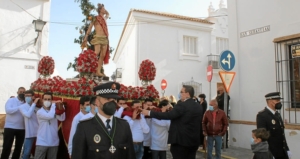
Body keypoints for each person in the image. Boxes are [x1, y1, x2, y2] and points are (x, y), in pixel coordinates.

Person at [72, 82, 136, 159]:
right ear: (97, 102)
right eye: (107, 99)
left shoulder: (124, 125)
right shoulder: (84, 127)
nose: (112, 102)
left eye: (114, 99)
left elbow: (130, 155)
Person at [142, 85, 203, 159]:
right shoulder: (198, 106)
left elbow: (169, 115)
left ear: (188, 93)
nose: (180, 94)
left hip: (180, 141)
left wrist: (149, 113)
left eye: (181, 92)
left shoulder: (182, 105)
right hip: (193, 141)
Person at [256, 92, 291, 159]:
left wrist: (287, 149)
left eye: (279, 100)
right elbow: (262, 137)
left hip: (282, 152)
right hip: (272, 153)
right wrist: (267, 154)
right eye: (277, 100)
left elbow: (282, 135)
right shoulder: (262, 115)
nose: (279, 102)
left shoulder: (277, 114)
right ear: (270, 101)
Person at [82, 3, 110, 77]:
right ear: (100, 10)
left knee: (103, 55)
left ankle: (98, 71)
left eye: (104, 9)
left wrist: (103, 8)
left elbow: (108, 14)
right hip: (98, 37)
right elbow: (90, 27)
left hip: (104, 38)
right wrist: (86, 36)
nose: (104, 10)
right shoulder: (95, 18)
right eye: (103, 9)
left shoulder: (104, 18)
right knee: (96, 52)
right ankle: (89, 67)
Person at [35, 92, 65, 159]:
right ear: (42, 100)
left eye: (49, 99)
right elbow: (50, 116)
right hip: (42, 142)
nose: (47, 101)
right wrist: (54, 105)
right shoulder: (40, 112)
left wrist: (61, 107)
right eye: (45, 99)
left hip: (53, 142)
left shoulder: (53, 111)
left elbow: (62, 118)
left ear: (51, 100)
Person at [1, 87, 26, 159]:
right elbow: (8, 111)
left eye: (23, 92)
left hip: (21, 128)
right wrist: (20, 107)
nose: (22, 93)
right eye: (20, 91)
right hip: (10, 127)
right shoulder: (11, 100)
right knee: (7, 147)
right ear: (17, 92)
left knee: (18, 148)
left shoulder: (26, 102)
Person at [18, 90, 40, 159]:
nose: (27, 97)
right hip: (30, 132)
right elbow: (28, 115)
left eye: (29, 96)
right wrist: (34, 104)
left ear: (33, 97)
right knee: (27, 152)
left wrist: (35, 104)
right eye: (26, 96)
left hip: (39, 132)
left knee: (39, 152)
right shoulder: (22, 107)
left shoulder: (37, 106)